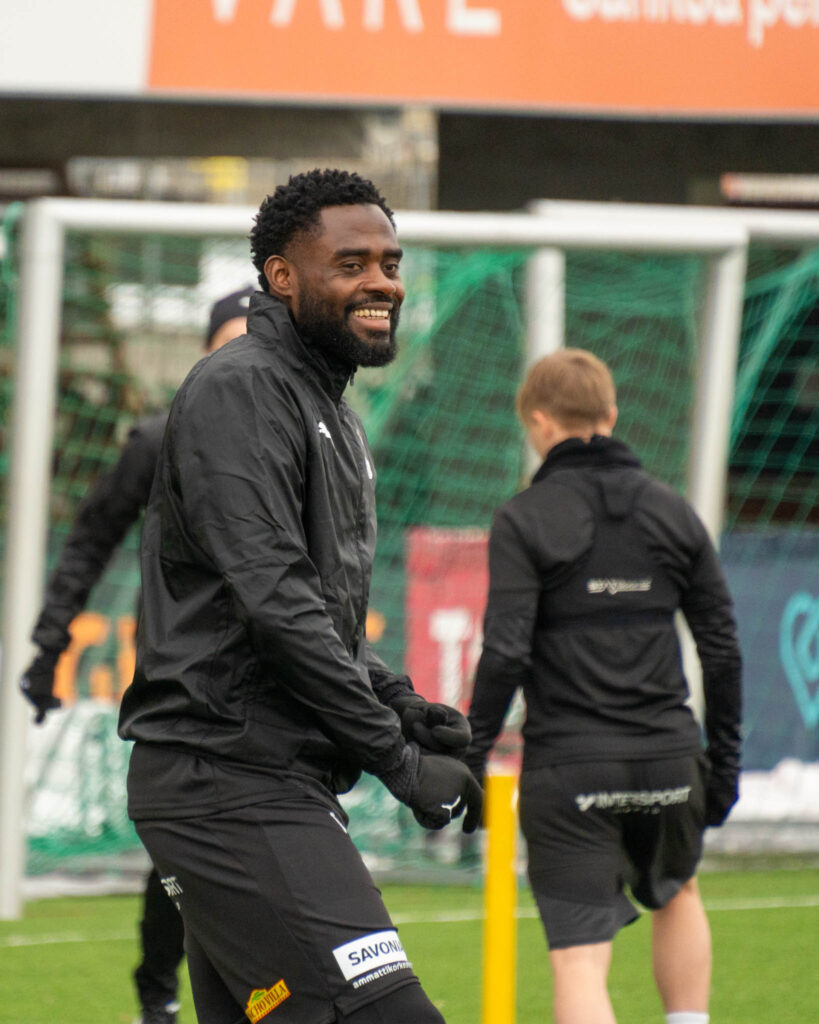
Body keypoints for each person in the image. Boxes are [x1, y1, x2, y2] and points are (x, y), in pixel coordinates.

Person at [117, 168, 483, 1024]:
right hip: (226, 782)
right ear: (281, 277)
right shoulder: (241, 388)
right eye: (350, 264)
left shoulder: (332, 410)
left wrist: (400, 704)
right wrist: (399, 764)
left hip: (268, 777)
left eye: (389, 263)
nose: (381, 282)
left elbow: (319, 613)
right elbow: (275, 605)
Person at [465, 348, 742, 1024]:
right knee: (679, 893)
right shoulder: (674, 512)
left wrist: (470, 758)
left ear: (538, 422)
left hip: (571, 769)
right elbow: (722, 651)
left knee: (580, 960)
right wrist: (724, 767)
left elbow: (504, 654)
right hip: (669, 759)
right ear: (610, 415)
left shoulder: (524, 518)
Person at [20, 284, 255, 1024]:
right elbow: (90, 539)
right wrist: (49, 644)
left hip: (278, 681)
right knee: (183, 845)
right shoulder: (158, 442)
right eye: (231, 344)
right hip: (180, 680)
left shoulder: (303, 439)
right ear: (203, 354)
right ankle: (158, 988)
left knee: (274, 845)